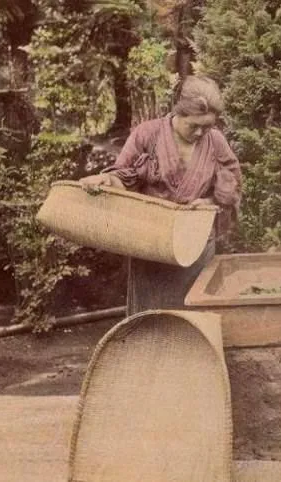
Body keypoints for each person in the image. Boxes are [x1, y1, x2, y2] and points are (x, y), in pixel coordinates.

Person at [79, 75, 242, 315]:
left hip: (195, 244)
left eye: (207, 126)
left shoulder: (215, 141)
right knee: (152, 316)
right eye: (193, 126)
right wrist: (107, 181)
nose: (200, 132)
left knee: (192, 316)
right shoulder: (148, 134)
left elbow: (232, 184)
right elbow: (123, 176)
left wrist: (210, 201)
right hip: (152, 243)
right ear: (177, 111)